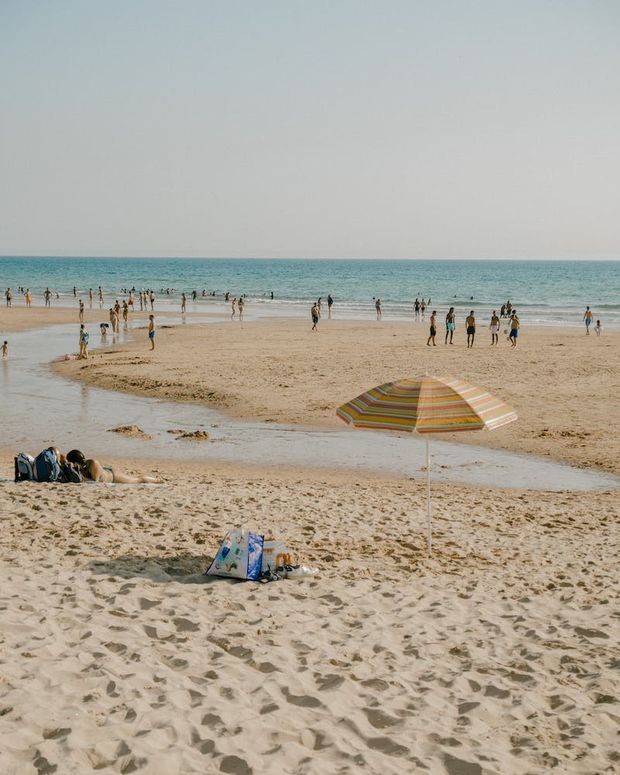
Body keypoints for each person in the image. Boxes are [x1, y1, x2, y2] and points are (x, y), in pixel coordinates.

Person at [65, 449, 163, 484]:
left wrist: (81, 477)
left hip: (113, 477)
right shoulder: (80, 467)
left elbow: (95, 481)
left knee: (137, 480)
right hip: (106, 472)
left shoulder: (93, 463)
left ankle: (158, 480)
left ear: (76, 462)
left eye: (71, 463)